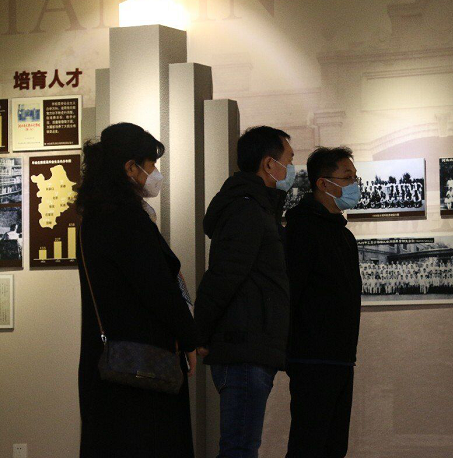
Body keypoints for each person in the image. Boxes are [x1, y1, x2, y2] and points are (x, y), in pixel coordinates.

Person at [76, 122, 201, 458]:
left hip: (110, 365)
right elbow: (157, 289)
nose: (155, 172)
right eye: (151, 164)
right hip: (140, 369)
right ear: (130, 168)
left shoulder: (94, 217)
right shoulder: (125, 219)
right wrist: (189, 337)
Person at [194, 125, 294, 458]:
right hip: (244, 349)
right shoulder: (247, 209)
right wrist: (199, 333)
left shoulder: (258, 208)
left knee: (241, 447)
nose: (291, 169)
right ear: (269, 164)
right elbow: (224, 275)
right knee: (239, 450)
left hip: (250, 347)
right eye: (288, 161)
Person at [284, 147, 362, 458]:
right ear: (323, 183)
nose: (354, 184)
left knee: (334, 446)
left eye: (355, 177)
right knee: (309, 444)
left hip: (341, 357)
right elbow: (292, 291)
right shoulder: (302, 229)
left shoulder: (343, 235)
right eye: (347, 177)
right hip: (312, 357)